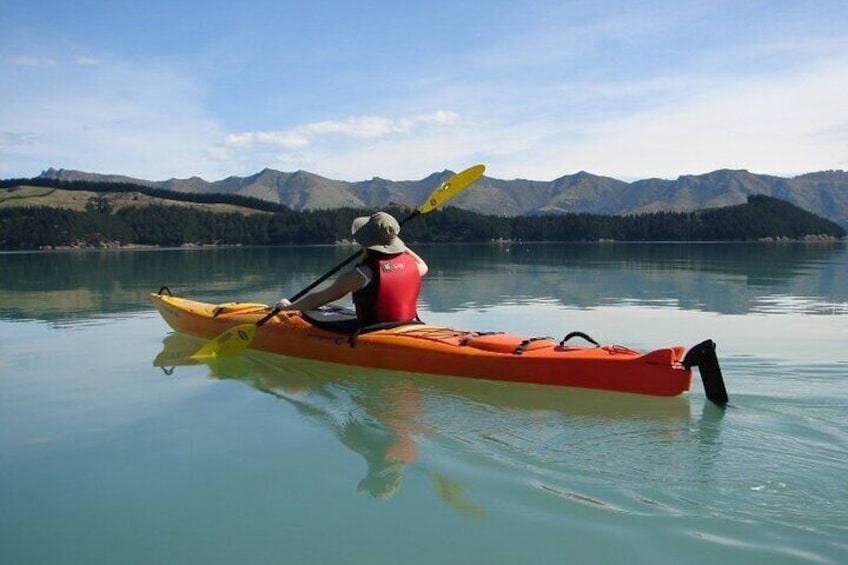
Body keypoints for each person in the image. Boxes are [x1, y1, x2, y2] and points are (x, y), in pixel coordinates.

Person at [276, 211, 428, 325]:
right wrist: (396, 243)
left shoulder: (362, 274)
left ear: (366, 241)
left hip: (373, 328)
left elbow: (320, 298)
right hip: (407, 323)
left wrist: (289, 308)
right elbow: (424, 265)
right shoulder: (413, 265)